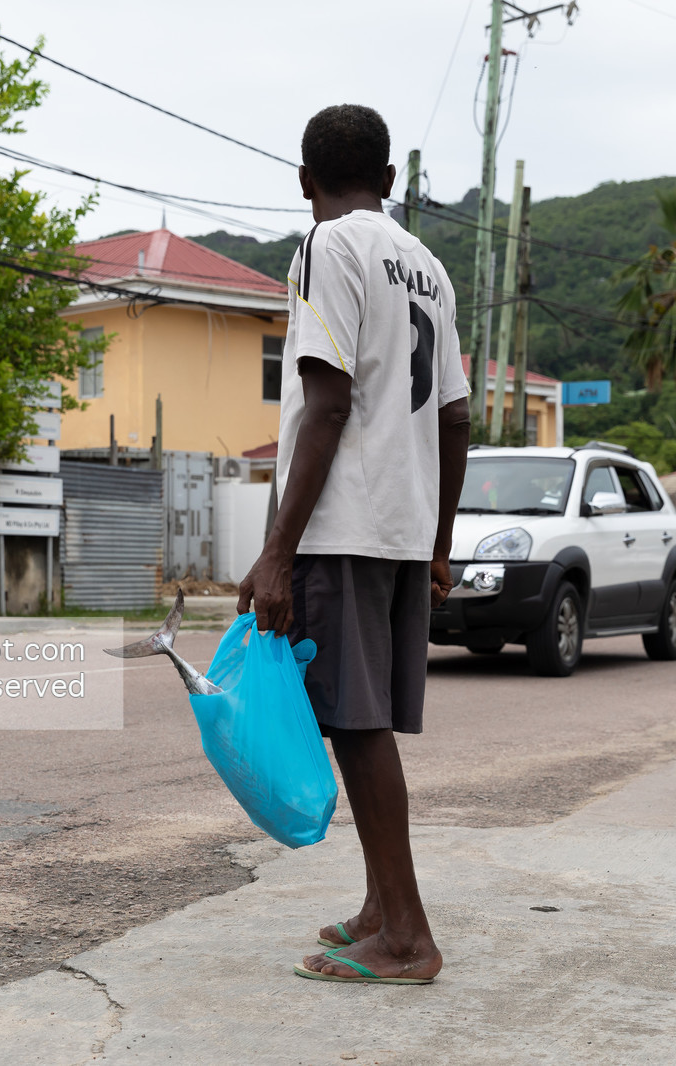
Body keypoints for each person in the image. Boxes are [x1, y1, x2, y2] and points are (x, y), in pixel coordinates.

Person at [236, 104, 471, 984]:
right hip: (403, 526)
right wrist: (439, 542)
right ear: (391, 181)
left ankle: (407, 936)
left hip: (347, 525)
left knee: (357, 723)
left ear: (304, 181)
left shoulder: (326, 247)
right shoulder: (429, 268)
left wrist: (277, 552)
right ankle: (380, 907)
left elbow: (326, 405)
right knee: (360, 719)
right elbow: (456, 419)